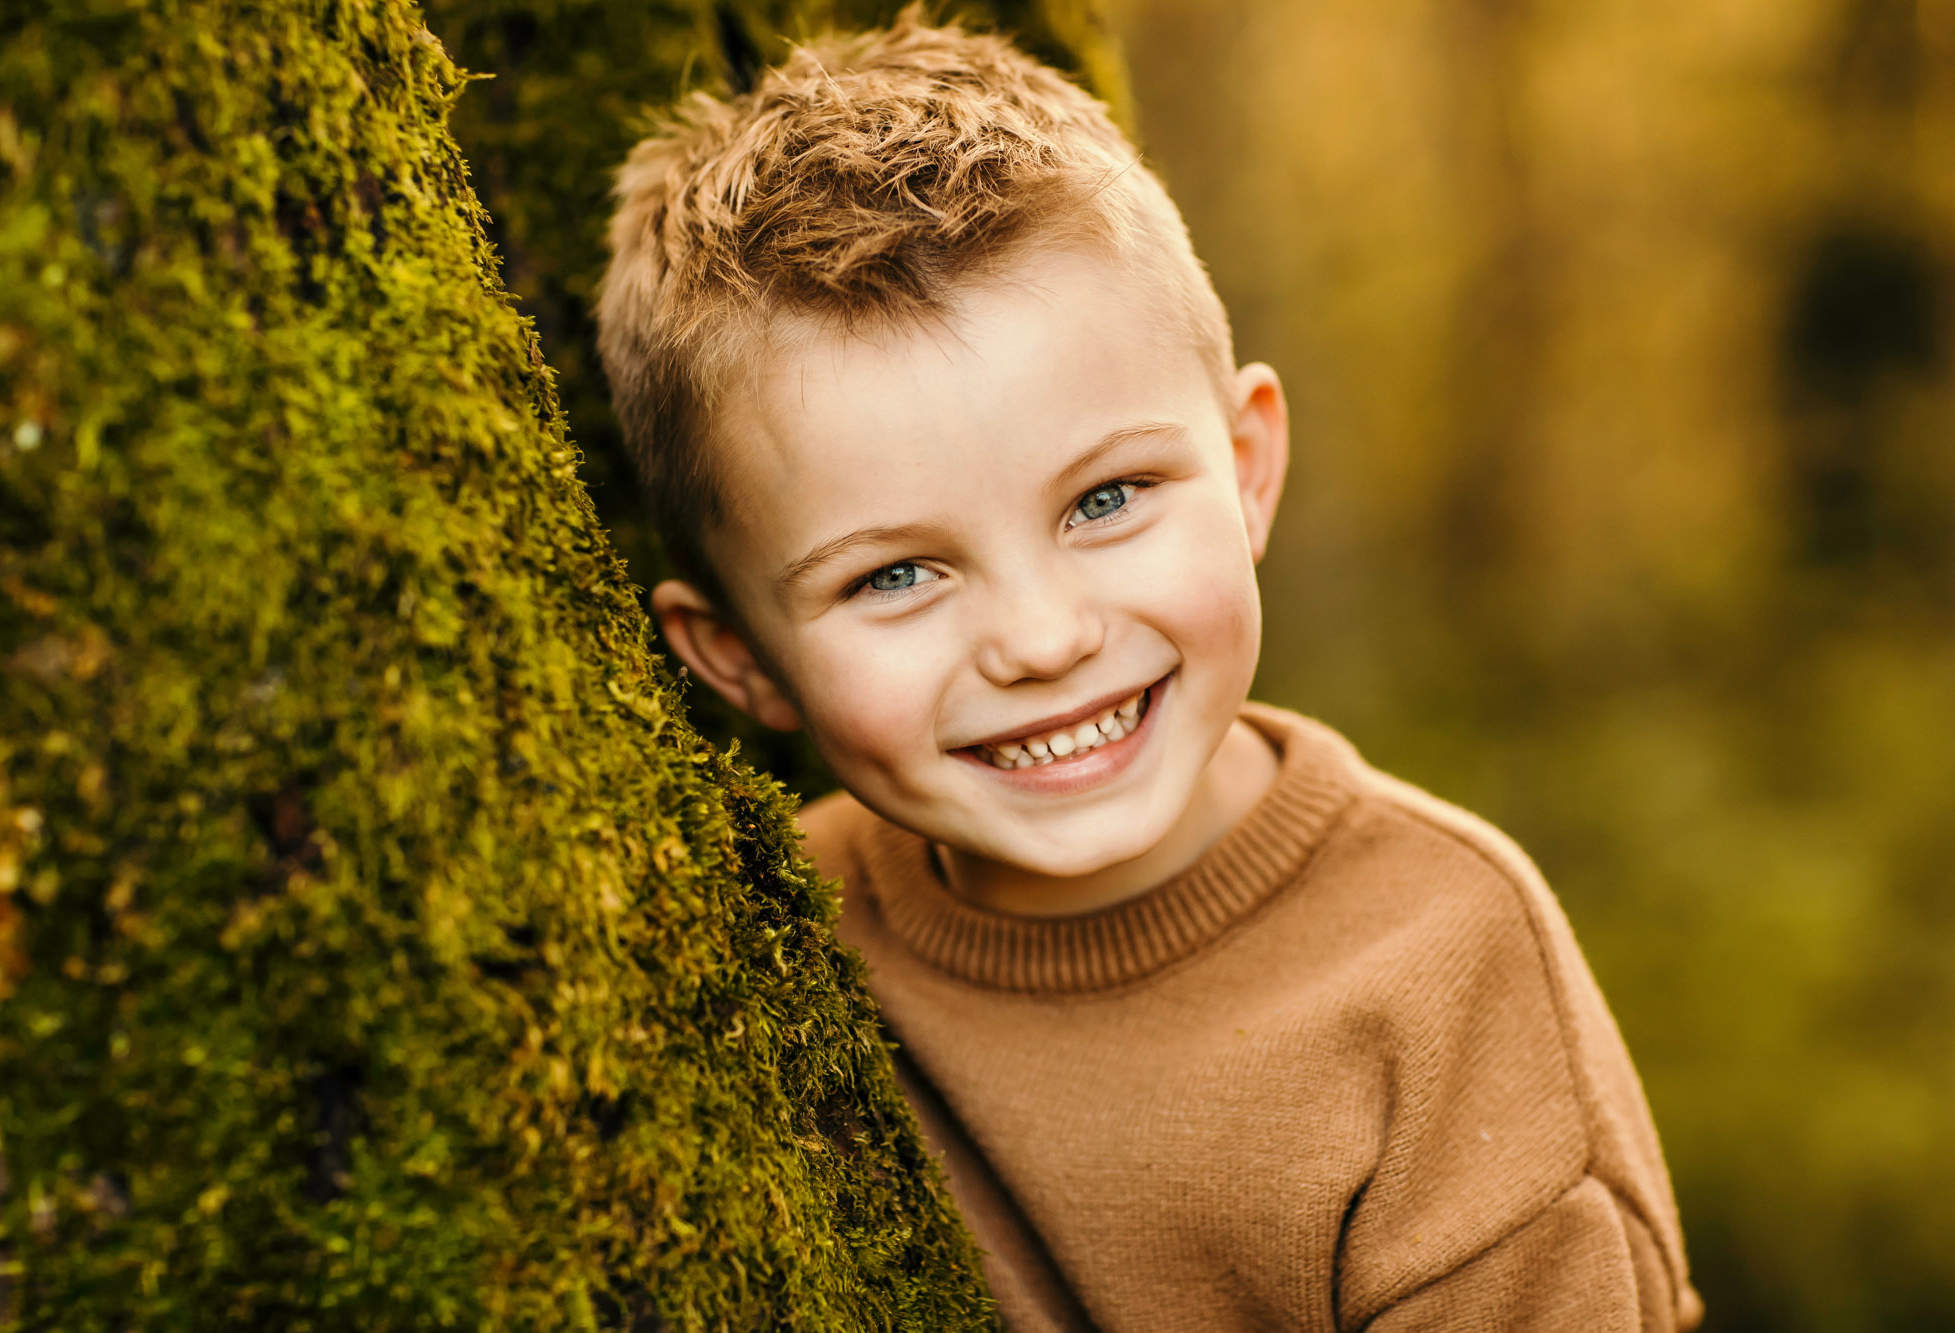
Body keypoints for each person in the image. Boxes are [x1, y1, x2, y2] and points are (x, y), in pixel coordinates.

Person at [593, 9, 1703, 1329]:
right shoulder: (770, 937)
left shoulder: (1444, 975)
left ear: (1246, 470)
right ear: (738, 661)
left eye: (1107, 498)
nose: (1046, 637)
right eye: (896, 574)